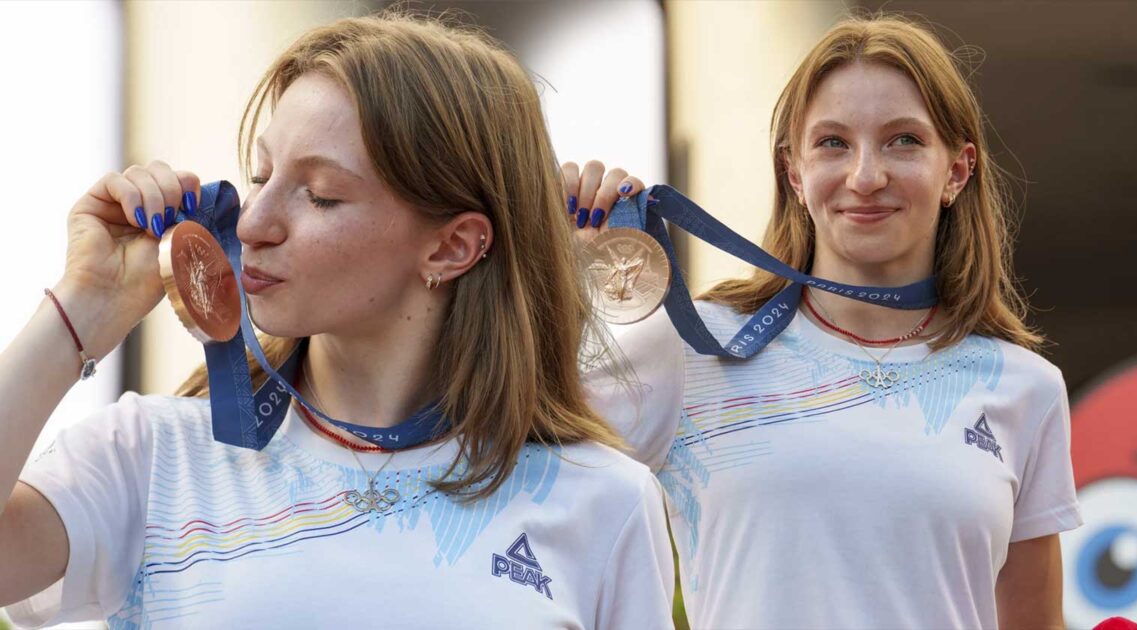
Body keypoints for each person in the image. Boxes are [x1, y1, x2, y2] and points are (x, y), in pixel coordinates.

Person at [0, 11, 673, 629]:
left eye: (320, 196)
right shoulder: (157, 456)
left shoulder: (603, 502)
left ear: (452, 246)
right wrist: (83, 307)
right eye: (261, 175)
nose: (255, 223)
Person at [568, 13, 1082, 630]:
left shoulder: (1025, 387)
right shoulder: (689, 349)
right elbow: (504, 467)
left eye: (904, 140)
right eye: (833, 142)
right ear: (795, 171)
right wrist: (559, 263)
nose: (866, 176)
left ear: (957, 170)